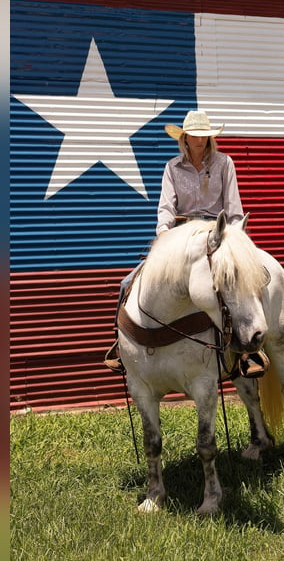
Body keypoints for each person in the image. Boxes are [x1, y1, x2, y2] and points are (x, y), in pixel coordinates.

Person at [104, 110, 268, 378]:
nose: (200, 140)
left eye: (205, 135)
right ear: (185, 137)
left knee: (249, 280)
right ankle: (123, 349)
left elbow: (234, 210)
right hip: (183, 241)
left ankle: (251, 349)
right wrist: (164, 235)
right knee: (127, 283)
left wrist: (236, 237)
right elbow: (165, 209)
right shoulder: (172, 167)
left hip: (218, 237)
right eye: (195, 135)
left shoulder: (225, 163)